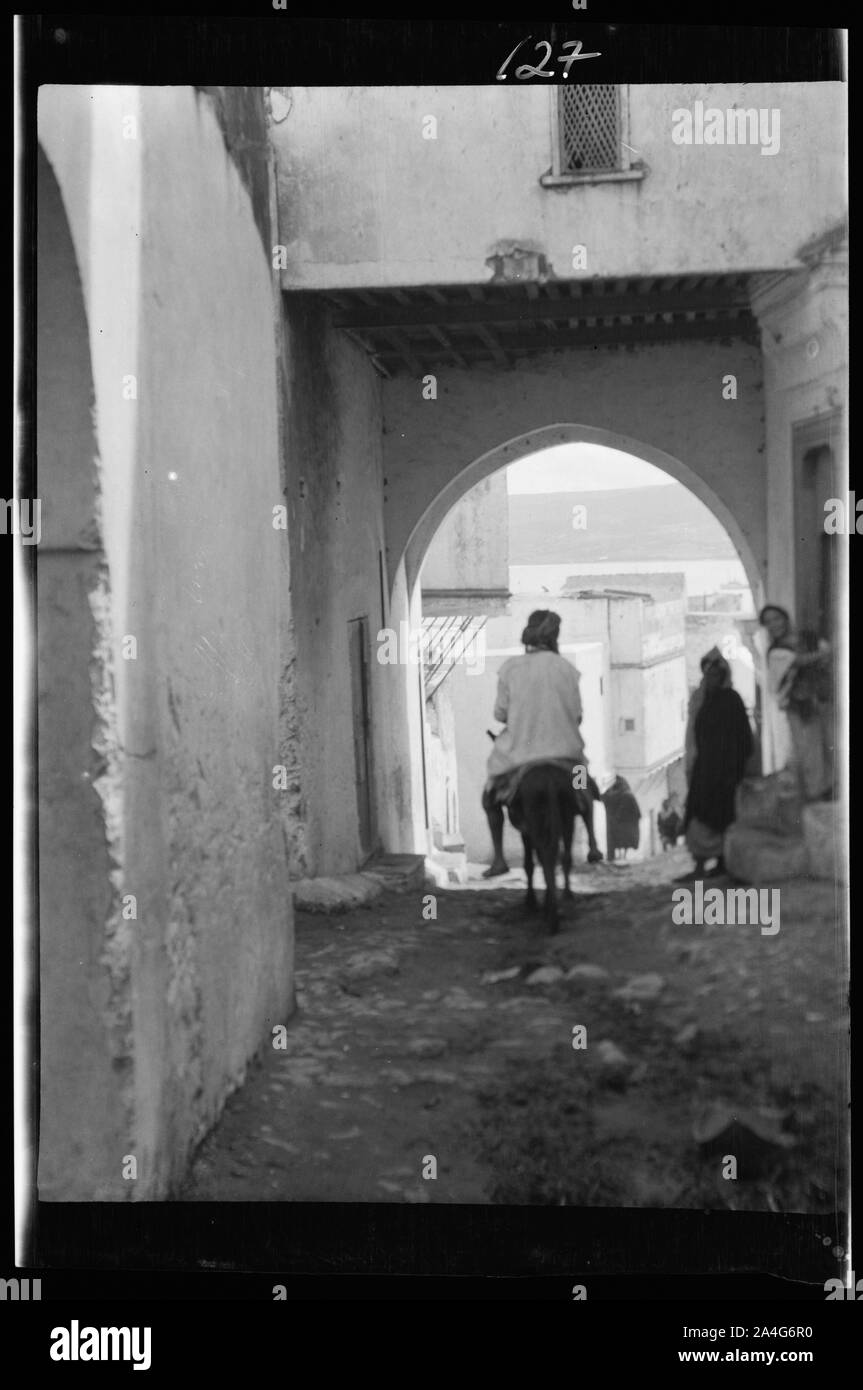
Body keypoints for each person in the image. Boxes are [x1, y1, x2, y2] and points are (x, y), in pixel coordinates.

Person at [481, 609, 587, 877]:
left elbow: (500, 714)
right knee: (585, 788)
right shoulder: (568, 669)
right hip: (567, 756)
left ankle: (500, 859)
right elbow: (577, 715)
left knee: (490, 796)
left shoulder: (510, 668)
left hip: (520, 756)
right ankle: (594, 842)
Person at [676, 647, 754, 880]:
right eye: (708, 675)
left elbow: (743, 737)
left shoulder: (732, 700)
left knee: (722, 815)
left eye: (715, 675)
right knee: (698, 813)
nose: (710, 679)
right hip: (704, 768)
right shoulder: (701, 700)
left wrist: (735, 767)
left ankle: (723, 863)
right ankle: (699, 866)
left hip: (726, 769)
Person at [759, 604, 834, 802]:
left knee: (827, 747)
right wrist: (826, 653)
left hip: (821, 699)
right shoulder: (775, 652)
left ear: (785, 618)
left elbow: (821, 649)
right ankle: (816, 797)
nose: (774, 624)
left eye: (776, 618)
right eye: (768, 621)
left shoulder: (805, 637)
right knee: (809, 753)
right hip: (800, 706)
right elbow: (798, 661)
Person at [603, 776, 641, 861]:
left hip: (620, 824)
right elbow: (637, 813)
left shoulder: (615, 795)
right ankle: (622, 856)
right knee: (624, 841)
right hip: (625, 824)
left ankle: (621, 856)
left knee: (620, 841)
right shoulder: (628, 794)